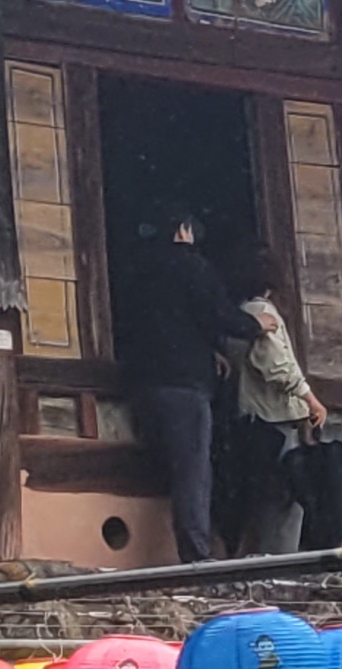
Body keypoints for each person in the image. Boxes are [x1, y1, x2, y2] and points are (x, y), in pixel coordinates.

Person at [109, 212, 261, 563]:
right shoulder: (191, 266)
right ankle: (196, 556)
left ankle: (193, 547)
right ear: (183, 231)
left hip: (142, 383)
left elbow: (167, 320)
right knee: (193, 472)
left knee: (169, 467)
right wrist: (255, 324)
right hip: (184, 384)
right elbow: (217, 313)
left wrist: (209, 350)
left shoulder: (137, 270)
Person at [215, 251, 342, 556]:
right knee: (287, 500)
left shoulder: (237, 317)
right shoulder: (261, 313)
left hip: (250, 418)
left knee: (261, 500)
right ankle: (283, 565)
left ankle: (261, 563)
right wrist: (310, 399)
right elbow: (276, 366)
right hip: (273, 418)